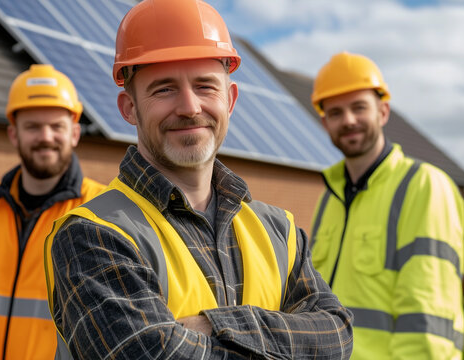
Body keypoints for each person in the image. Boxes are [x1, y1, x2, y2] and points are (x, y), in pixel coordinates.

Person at [43, 0, 354, 358]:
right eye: (164, 89)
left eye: (205, 86)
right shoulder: (91, 234)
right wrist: (287, 340)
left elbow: (337, 337)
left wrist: (216, 325)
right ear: (129, 108)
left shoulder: (280, 232)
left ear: (231, 99)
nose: (190, 107)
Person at [0, 64, 105, 359]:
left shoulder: (101, 209)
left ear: (75, 133)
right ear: (13, 135)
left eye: (57, 126)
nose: (45, 136)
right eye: (32, 127)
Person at [309, 51, 464, 359]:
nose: (349, 120)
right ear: (325, 123)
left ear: (383, 112)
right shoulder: (328, 199)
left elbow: (429, 318)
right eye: (336, 112)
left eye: (359, 108)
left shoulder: (423, 186)